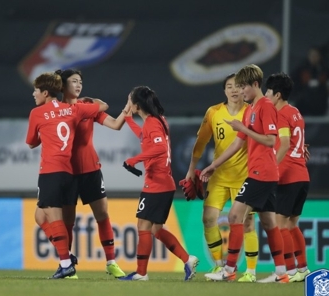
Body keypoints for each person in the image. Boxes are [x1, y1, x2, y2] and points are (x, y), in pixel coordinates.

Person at [35, 69, 126, 278]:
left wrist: (125, 112)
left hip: (91, 169)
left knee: (102, 214)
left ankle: (111, 262)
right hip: (67, 172)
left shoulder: (86, 107)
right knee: (66, 221)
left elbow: (114, 123)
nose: (78, 85)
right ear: (63, 85)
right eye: (74, 82)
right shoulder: (55, 111)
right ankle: (68, 263)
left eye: (80, 82)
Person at [201, 64, 288, 283]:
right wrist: (214, 165)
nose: (241, 92)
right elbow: (238, 145)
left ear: (255, 85)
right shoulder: (250, 109)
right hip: (259, 171)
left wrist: (244, 129)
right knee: (268, 222)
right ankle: (281, 273)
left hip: (262, 171)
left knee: (234, 216)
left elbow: (270, 140)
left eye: (243, 88)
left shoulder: (265, 106)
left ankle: (229, 270)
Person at [118, 86, 199, 281]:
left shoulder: (152, 123)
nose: (128, 103)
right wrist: (129, 120)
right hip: (165, 183)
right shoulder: (159, 121)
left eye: (130, 100)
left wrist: (135, 159)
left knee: (143, 226)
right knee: (155, 229)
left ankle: (141, 272)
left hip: (156, 183)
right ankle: (188, 259)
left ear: (137, 105)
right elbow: (146, 138)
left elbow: (160, 147)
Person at [184, 73, 258, 282]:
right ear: (224, 90)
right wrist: (192, 169)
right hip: (218, 176)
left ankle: (250, 272)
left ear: (244, 89)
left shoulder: (252, 112)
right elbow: (200, 143)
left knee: (247, 223)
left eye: (238, 86)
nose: (234, 90)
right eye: (229, 86)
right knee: (208, 219)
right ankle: (219, 266)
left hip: (244, 176)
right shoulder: (214, 112)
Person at [265, 72, 311, 282]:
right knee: (292, 225)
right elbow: (296, 142)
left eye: (268, 91)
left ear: (278, 95)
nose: (266, 95)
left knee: (281, 225)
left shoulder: (281, 114)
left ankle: (289, 271)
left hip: (288, 174)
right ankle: (302, 269)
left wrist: (271, 167)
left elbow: (284, 143)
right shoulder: (295, 112)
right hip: (302, 175)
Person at [290, 47, 329, 116]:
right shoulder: (302, 68)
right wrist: (297, 91)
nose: (314, 58)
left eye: (316, 56)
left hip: (320, 98)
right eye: (312, 56)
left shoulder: (325, 68)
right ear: (308, 57)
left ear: (320, 57)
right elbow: (291, 79)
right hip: (304, 99)